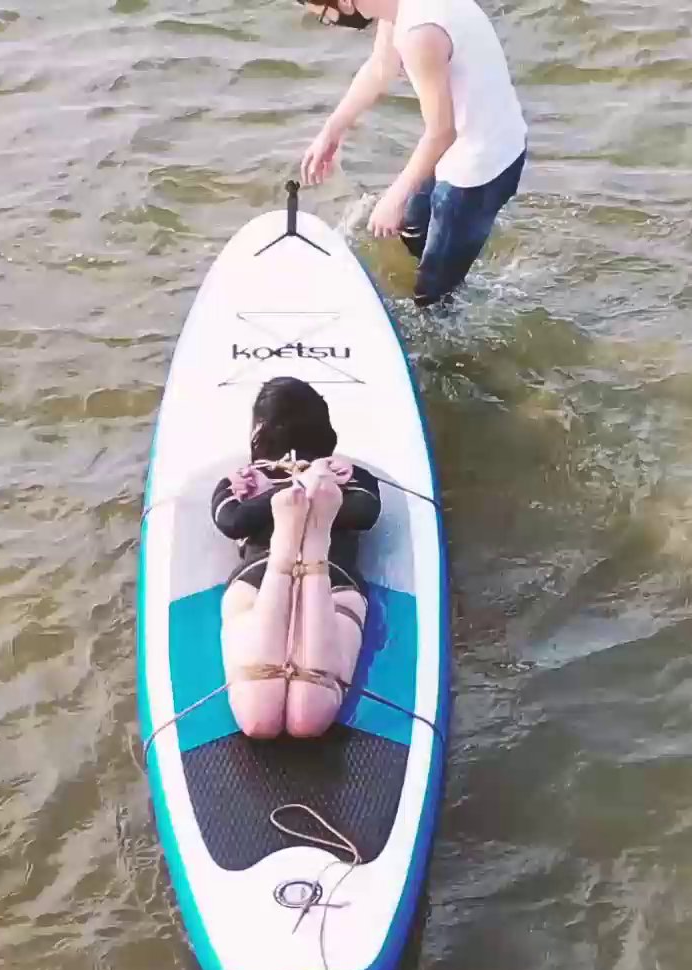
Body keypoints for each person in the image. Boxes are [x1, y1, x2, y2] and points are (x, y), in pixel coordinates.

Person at [295, 0, 528, 307]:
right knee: (413, 226)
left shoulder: (419, 33)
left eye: (327, 15)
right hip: (465, 146)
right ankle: (453, 260)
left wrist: (393, 198)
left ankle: (442, 307)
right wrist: (331, 131)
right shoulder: (396, 8)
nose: (333, 22)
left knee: (432, 296)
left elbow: (441, 132)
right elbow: (381, 67)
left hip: (481, 168)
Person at [211, 377, 381, 739]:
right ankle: (308, 539)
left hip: (262, 582)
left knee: (259, 719)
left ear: (257, 433)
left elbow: (365, 512)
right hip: (331, 581)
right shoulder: (337, 479)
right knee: (308, 717)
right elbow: (231, 521)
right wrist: (304, 488)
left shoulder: (344, 476)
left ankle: (292, 545)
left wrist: (280, 492)